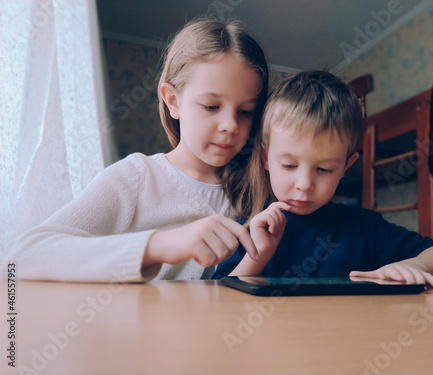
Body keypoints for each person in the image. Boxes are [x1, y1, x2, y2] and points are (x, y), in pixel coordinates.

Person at [4, 18, 269, 282]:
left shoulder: (258, 190)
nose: (231, 125)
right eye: (211, 106)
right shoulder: (138, 177)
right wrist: (158, 245)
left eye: (246, 112)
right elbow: (22, 258)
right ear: (173, 101)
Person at [212, 70, 433, 289]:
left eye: (324, 169)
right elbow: (220, 299)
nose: (305, 183)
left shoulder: (364, 227)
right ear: (265, 158)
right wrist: (259, 256)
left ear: (346, 166)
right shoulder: (251, 229)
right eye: (289, 165)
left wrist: (417, 267)